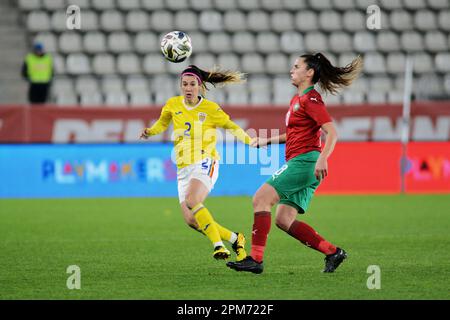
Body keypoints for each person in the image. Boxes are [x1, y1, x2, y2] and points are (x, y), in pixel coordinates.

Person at [227, 53, 363, 274]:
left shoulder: (311, 99)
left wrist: (322, 158)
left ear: (309, 73)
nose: (292, 69)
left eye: (297, 66)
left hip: (306, 161)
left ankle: (256, 260)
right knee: (283, 219)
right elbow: (293, 134)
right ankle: (333, 252)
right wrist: (267, 141)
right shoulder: (297, 100)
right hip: (301, 161)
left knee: (261, 198)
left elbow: (332, 132)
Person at [140, 65, 255, 261]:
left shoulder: (210, 109)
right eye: (184, 84)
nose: (188, 88)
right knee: (191, 220)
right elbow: (162, 123)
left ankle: (218, 246)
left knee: (193, 200)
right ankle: (235, 238)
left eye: (192, 84)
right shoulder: (172, 104)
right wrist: (150, 131)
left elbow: (231, 126)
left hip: (205, 161)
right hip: (183, 167)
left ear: (200, 86)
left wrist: (249, 141)